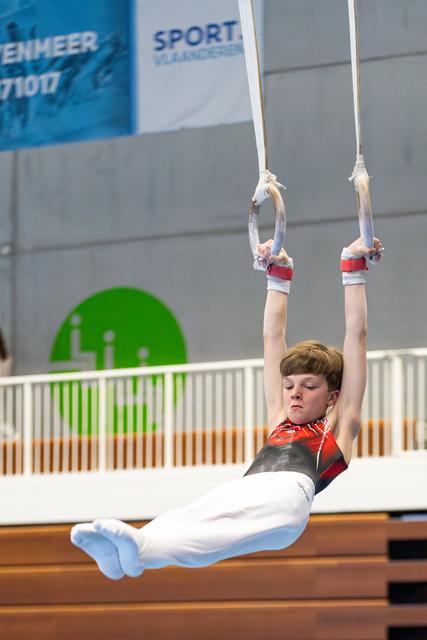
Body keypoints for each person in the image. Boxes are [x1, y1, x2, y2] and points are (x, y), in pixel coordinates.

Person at [71, 235, 382, 579]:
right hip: (247, 487)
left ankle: (138, 552)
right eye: (289, 386)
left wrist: (353, 268)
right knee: (193, 515)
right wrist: (278, 275)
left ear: (333, 397)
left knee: (214, 536)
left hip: (286, 501)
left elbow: (357, 336)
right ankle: (131, 554)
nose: (295, 394)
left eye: (309, 387)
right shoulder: (280, 418)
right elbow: (272, 337)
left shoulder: (337, 427)